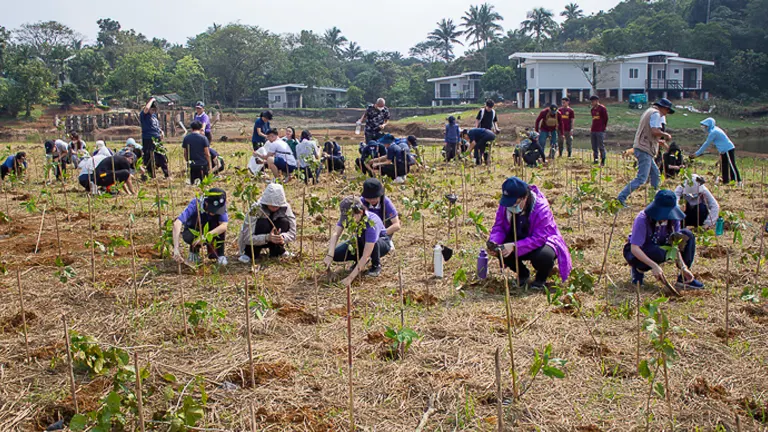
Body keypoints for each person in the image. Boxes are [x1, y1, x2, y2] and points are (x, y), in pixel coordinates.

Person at [487, 177, 572, 289]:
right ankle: (522, 274)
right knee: (501, 250)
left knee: (544, 257)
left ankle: (540, 279)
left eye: (515, 203)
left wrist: (514, 246)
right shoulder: (506, 205)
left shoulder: (541, 208)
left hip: (541, 242)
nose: (511, 207)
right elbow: (499, 226)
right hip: (518, 238)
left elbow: (539, 238)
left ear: (524, 198)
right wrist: (494, 242)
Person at [623, 189, 704, 290]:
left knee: (688, 236)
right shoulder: (642, 219)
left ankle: (683, 279)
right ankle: (639, 270)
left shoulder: (674, 219)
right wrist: (654, 266)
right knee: (658, 252)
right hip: (642, 250)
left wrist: (683, 266)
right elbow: (634, 248)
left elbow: (676, 244)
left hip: (662, 245)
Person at [617, 98, 675, 206]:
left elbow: (649, 132)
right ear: (664, 108)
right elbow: (654, 130)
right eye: (667, 111)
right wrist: (666, 135)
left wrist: (658, 141)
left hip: (643, 146)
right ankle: (621, 198)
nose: (666, 114)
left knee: (655, 174)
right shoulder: (656, 114)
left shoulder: (649, 111)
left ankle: (654, 199)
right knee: (641, 178)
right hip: (644, 148)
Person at [323, 196, 391, 281]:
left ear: (360, 212)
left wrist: (349, 278)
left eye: (350, 217)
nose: (348, 221)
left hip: (381, 244)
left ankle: (376, 266)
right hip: (361, 241)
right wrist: (330, 254)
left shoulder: (371, 223)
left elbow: (366, 255)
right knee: (336, 254)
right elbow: (336, 234)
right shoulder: (348, 216)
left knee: (372, 242)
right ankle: (359, 262)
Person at [237, 183, 297, 262]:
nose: (275, 207)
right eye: (272, 205)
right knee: (263, 224)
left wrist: (282, 237)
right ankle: (250, 254)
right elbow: (247, 237)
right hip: (257, 240)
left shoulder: (286, 208)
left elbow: (293, 233)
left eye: (277, 205)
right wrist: (267, 237)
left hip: (275, 240)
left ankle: (277, 251)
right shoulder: (256, 209)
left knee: (283, 222)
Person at [172, 188, 229, 266]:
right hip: (194, 229)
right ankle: (194, 252)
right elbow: (177, 223)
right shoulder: (196, 204)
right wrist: (176, 248)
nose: (214, 212)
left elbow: (223, 226)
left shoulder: (221, 205)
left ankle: (220, 254)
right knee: (190, 235)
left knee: (218, 226)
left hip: (209, 231)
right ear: (206, 202)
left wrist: (206, 236)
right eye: (212, 209)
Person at [692, 117, 741, 186]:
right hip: (723, 151)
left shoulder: (714, 132)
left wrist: (697, 154)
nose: (704, 128)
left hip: (728, 149)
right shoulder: (714, 130)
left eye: (705, 126)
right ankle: (725, 181)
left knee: (732, 165)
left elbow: (706, 144)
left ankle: (738, 181)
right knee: (724, 166)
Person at [140, 97, 169, 178]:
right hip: (148, 138)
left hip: (157, 138)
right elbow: (146, 109)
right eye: (152, 110)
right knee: (148, 156)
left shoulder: (154, 116)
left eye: (154, 110)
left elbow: (155, 126)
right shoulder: (144, 115)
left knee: (161, 155)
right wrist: (152, 100)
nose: (153, 111)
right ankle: (151, 175)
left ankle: (166, 174)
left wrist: (160, 131)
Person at [589, 95, 609, 166]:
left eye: (593, 101)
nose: (592, 103)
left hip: (600, 130)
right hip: (593, 129)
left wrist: (603, 127)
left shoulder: (602, 109)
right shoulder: (592, 110)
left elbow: (606, 119)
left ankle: (603, 159)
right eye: (591, 102)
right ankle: (595, 158)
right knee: (594, 146)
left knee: (601, 145)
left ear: (597, 101)